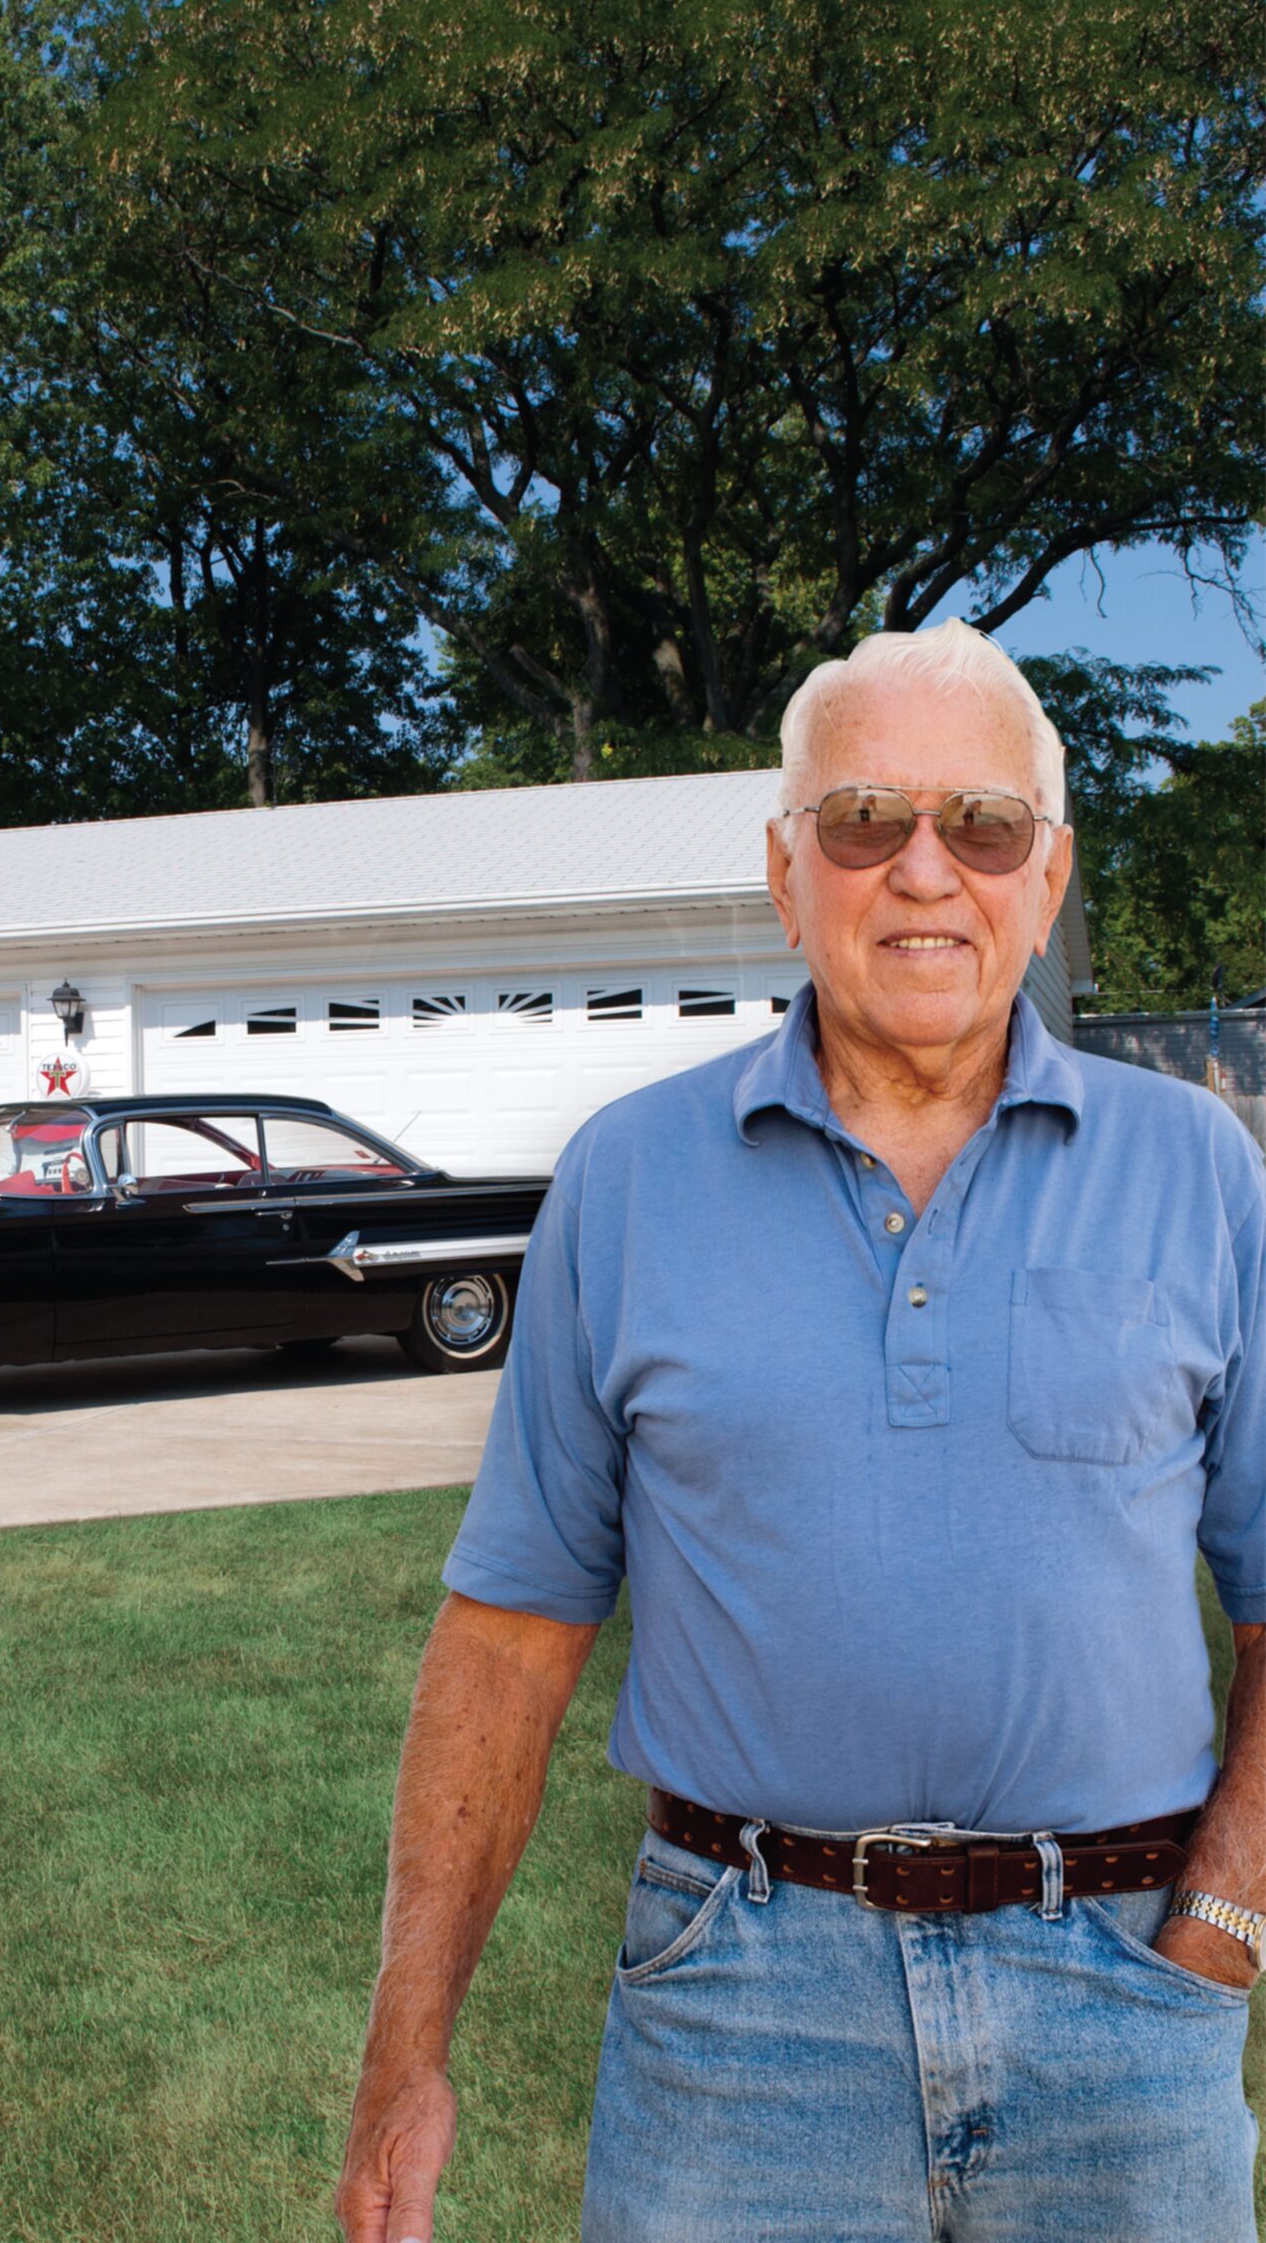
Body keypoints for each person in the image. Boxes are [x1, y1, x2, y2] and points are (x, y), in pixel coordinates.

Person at [336, 621, 1266, 2243]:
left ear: (1046, 880)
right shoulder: (626, 1183)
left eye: (981, 826)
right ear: (786, 872)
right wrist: (405, 2055)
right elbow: (507, 1638)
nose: (923, 870)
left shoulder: (1201, 1170)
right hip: (741, 2011)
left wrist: (1225, 1925)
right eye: (864, 821)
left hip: (1122, 1995)